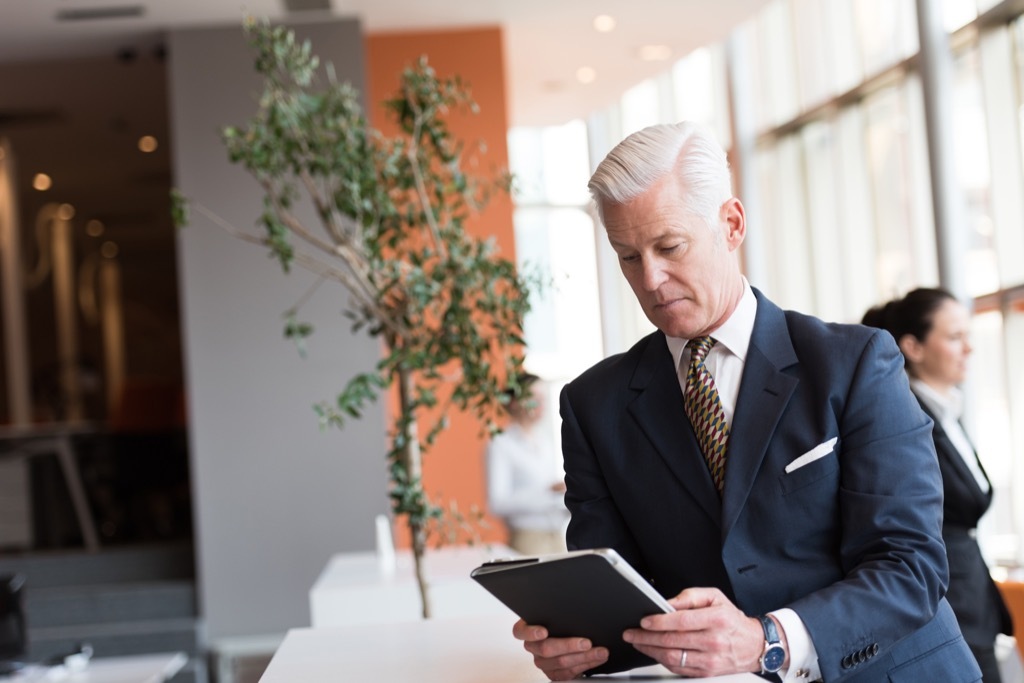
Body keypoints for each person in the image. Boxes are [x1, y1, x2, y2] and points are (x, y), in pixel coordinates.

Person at [511, 121, 981, 682]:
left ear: (731, 224)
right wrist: (587, 651)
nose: (651, 278)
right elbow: (626, 607)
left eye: (669, 246)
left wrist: (768, 641)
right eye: (627, 256)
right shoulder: (593, 405)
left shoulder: (855, 364)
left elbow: (911, 567)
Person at [862, 288, 1012, 681]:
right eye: (954, 337)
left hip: (975, 600)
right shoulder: (904, 418)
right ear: (913, 346)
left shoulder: (949, 411)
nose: (969, 349)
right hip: (945, 604)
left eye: (969, 336)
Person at [485, 373, 569, 556]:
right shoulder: (501, 444)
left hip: (557, 536)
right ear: (514, 402)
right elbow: (497, 502)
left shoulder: (544, 442)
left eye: (543, 398)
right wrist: (548, 492)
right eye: (535, 398)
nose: (541, 405)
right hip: (528, 540)